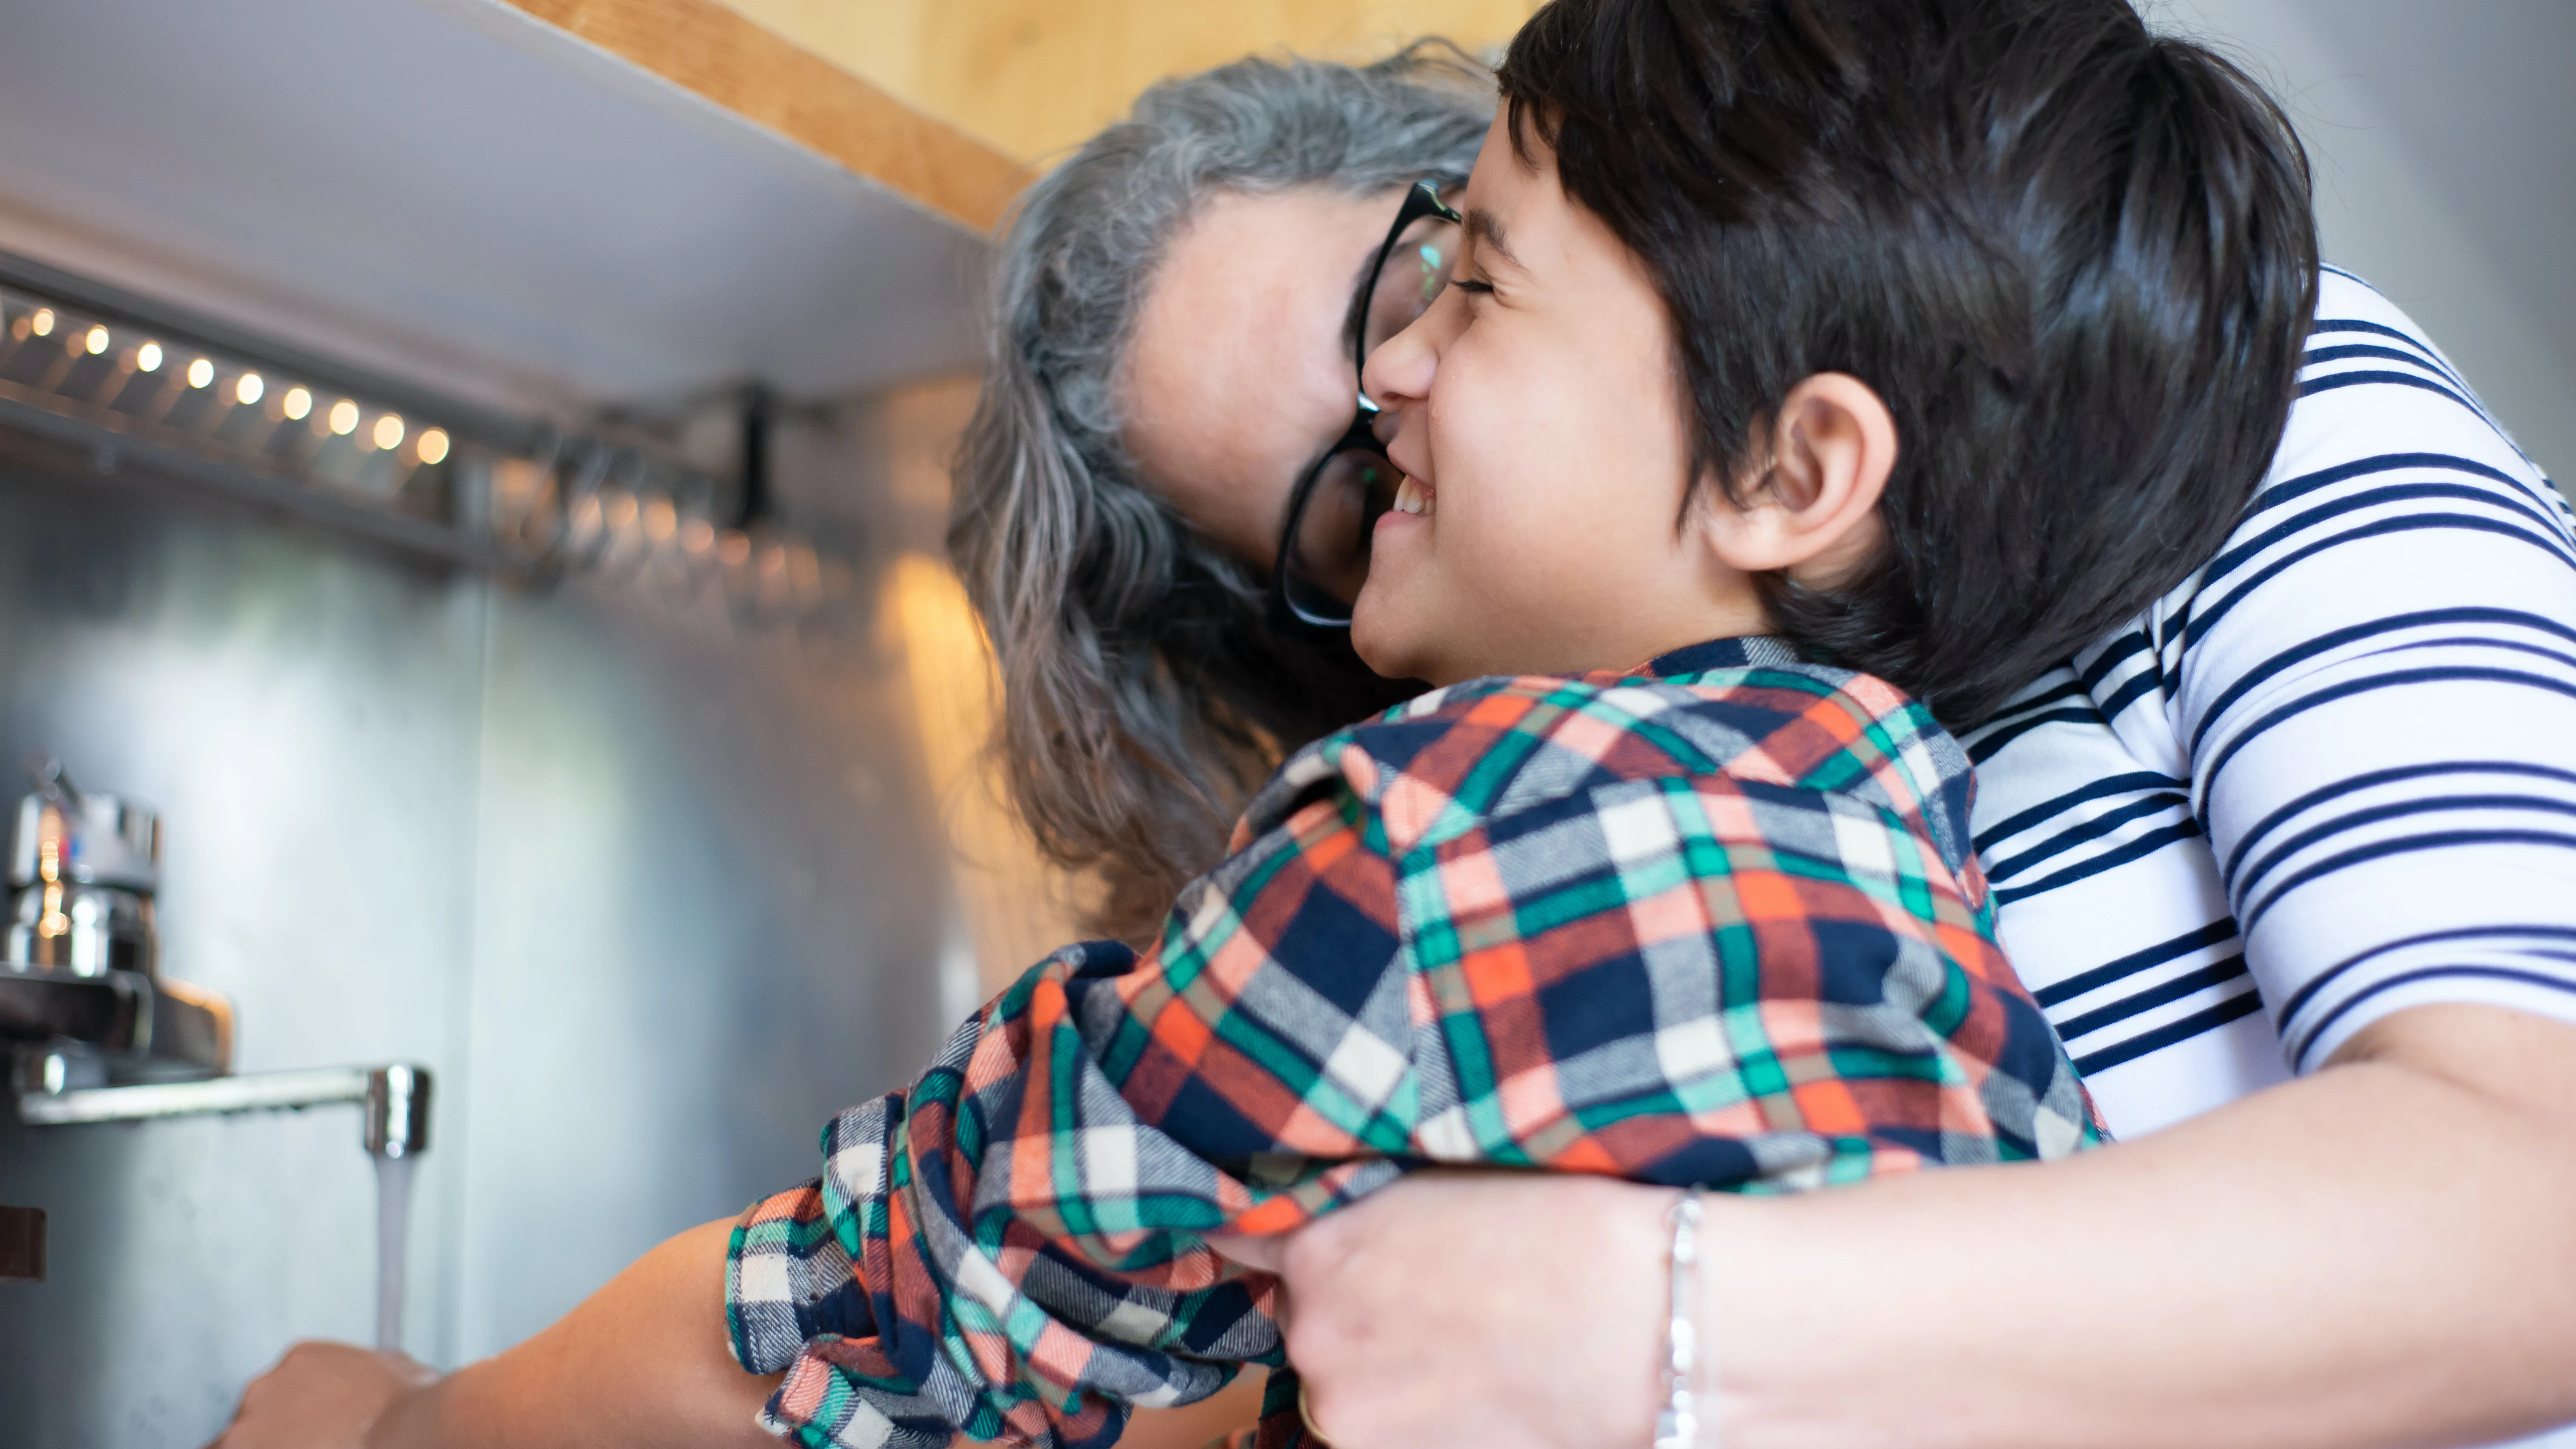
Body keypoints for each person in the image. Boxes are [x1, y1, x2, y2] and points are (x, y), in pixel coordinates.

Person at [217, 4, 2576, 1449]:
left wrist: (406, 1422)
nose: (1411, 388)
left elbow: (2540, 1196)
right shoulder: (1827, 790)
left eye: (1442, 266)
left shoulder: (2224, 405)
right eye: (1347, 500)